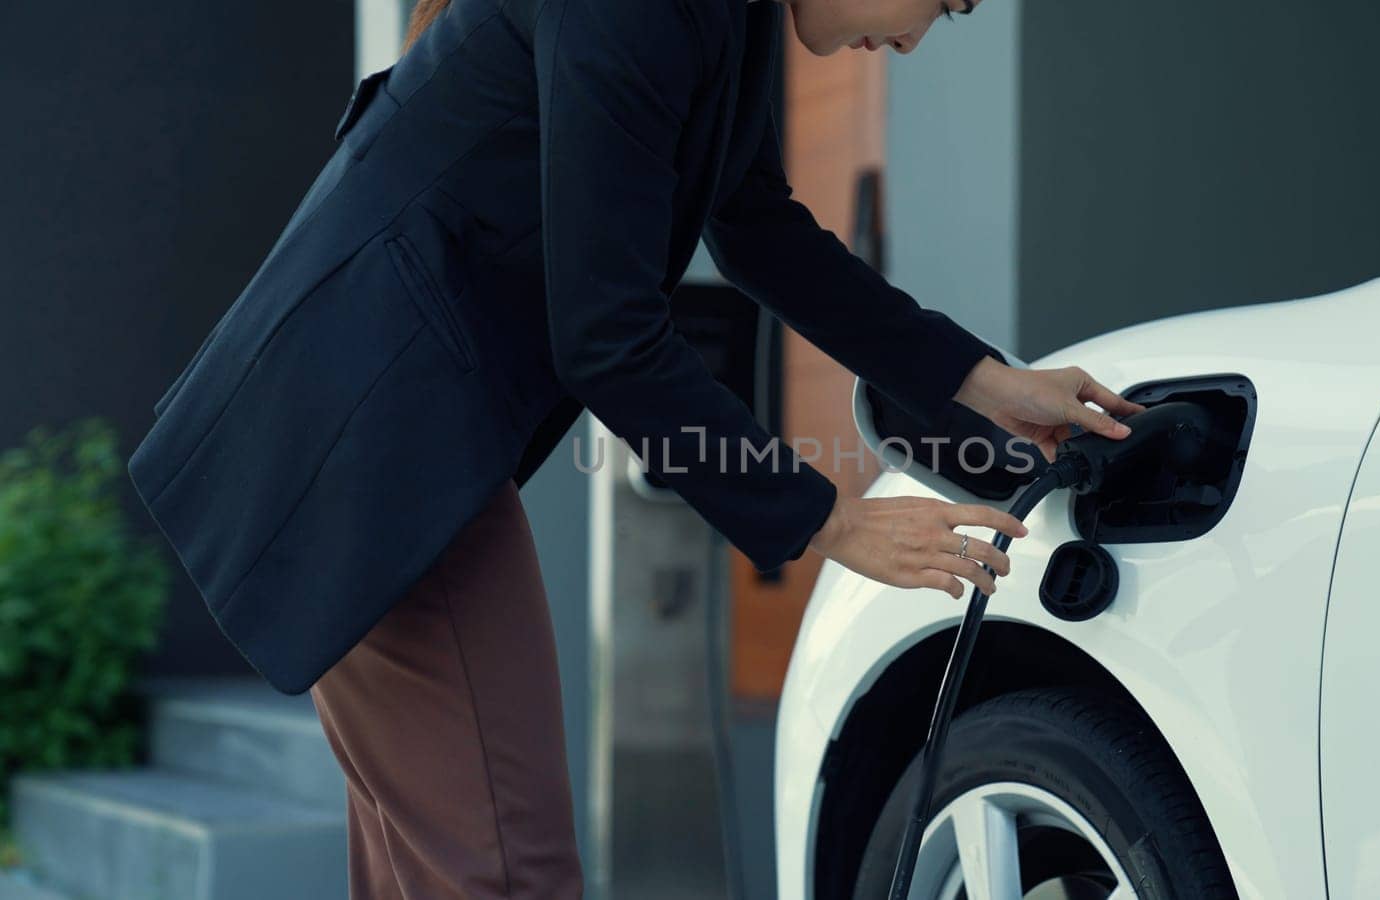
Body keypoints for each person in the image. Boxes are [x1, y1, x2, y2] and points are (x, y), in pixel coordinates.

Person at [126, 0, 1145, 895]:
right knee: (502, 874)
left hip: (372, 446)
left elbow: (758, 236)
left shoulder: (725, 22)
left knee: (435, 872)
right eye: (948, 3)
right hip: (366, 454)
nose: (918, 40)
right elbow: (606, 340)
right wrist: (830, 521)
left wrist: (986, 379)